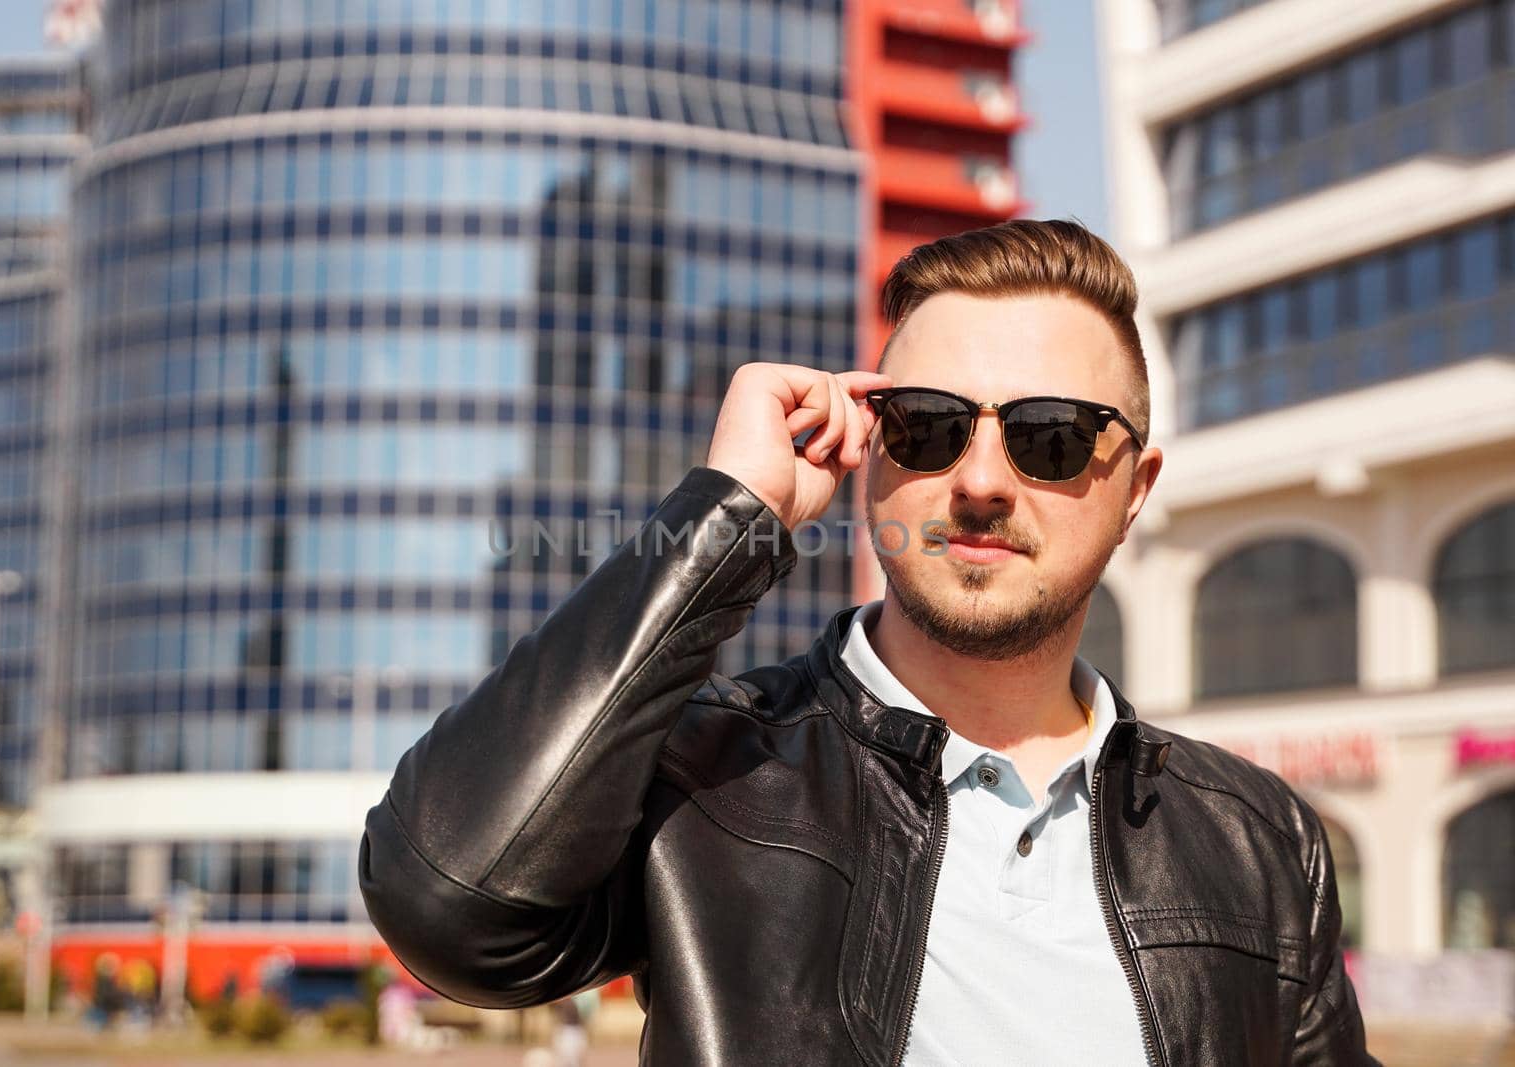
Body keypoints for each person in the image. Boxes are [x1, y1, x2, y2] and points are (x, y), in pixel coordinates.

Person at [359, 220, 1378, 1064]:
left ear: (1133, 492)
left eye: (1051, 433)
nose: (980, 479)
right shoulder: (707, 768)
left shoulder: (1258, 838)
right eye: (929, 425)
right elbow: (448, 903)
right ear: (872, 449)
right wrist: (733, 515)